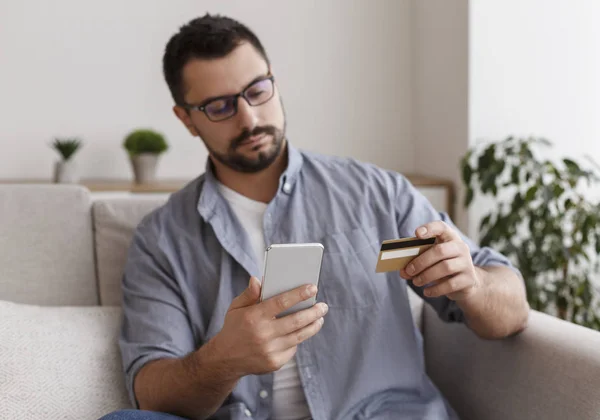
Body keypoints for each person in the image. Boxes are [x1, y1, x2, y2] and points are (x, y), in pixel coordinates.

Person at [100, 13, 529, 420]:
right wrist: (222, 359)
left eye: (257, 90)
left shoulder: (376, 192)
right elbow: (149, 390)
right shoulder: (161, 239)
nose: (249, 118)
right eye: (219, 107)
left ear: (274, 80)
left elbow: (511, 312)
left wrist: (472, 282)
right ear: (187, 120)